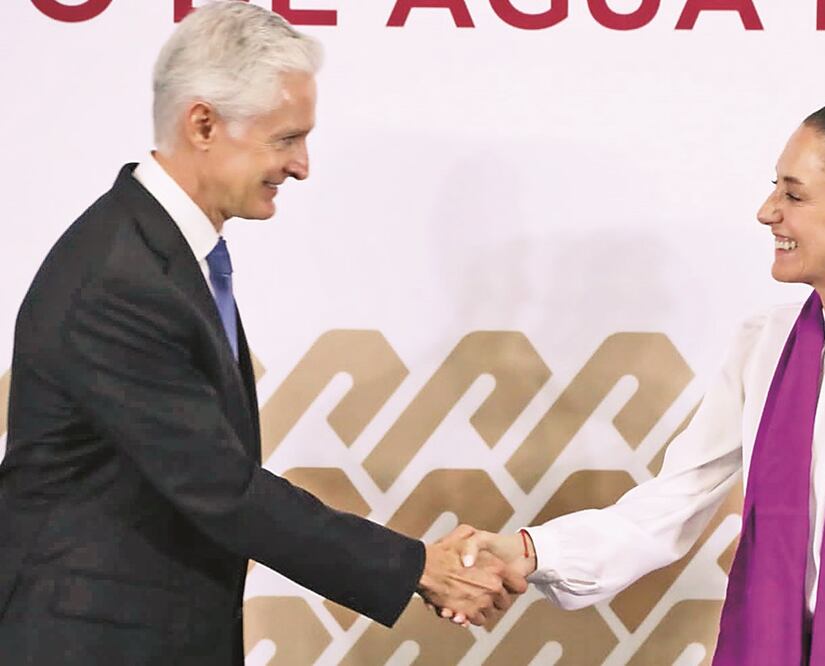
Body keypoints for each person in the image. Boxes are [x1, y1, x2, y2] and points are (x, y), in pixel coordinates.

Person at [0, 2, 523, 663]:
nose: (302, 166)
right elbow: (221, 485)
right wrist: (416, 566)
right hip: (91, 642)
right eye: (286, 139)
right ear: (204, 124)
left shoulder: (162, 255)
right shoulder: (120, 279)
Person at [452, 97, 825, 665]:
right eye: (774, 188)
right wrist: (529, 553)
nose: (768, 212)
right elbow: (669, 506)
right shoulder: (763, 346)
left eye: (793, 195)